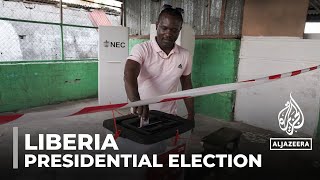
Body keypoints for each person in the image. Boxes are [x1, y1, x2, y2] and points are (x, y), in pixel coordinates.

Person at [124, 5, 194, 122]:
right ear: (157, 26)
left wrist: (191, 114)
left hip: (170, 115)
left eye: (174, 30)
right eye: (164, 28)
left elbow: (187, 85)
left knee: (167, 140)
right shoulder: (142, 49)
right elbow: (129, 73)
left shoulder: (185, 55)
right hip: (142, 114)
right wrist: (137, 101)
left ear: (179, 30)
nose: (168, 34)